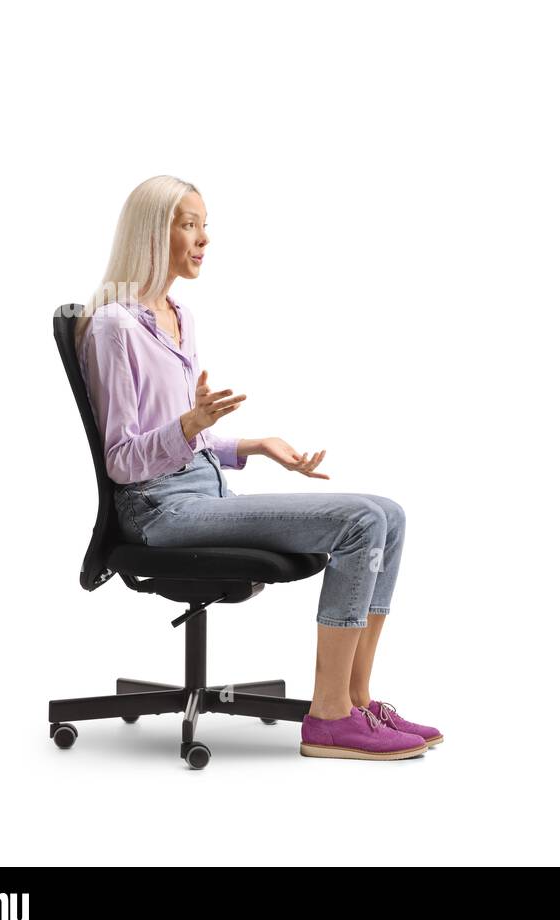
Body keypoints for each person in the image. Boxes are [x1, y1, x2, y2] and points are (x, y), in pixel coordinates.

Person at [76, 175, 442, 761]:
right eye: (188, 225)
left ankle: (356, 701)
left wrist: (254, 446)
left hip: (204, 495)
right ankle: (328, 718)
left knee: (389, 515)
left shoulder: (178, 315)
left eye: (205, 225)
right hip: (157, 510)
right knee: (360, 521)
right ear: (151, 233)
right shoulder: (114, 326)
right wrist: (189, 426)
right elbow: (123, 460)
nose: (204, 238)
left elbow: (188, 435)